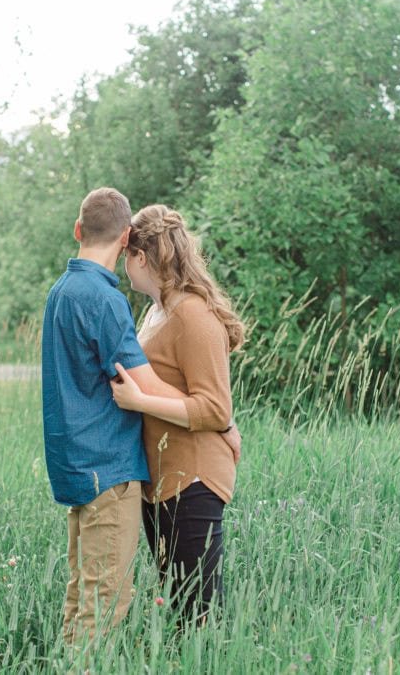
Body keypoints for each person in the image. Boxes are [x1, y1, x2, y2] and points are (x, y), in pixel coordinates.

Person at [41, 187, 190, 645]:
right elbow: (142, 383)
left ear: (77, 230)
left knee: (82, 597)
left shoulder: (61, 291)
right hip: (108, 472)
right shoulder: (103, 300)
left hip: (75, 468)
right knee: (106, 603)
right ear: (127, 239)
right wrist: (209, 412)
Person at [109, 203, 245, 625]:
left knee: (199, 615)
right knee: (178, 603)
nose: (122, 265)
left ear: (141, 257)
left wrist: (140, 403)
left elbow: (215, 406)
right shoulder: (157, 310)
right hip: (164, 478)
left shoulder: (192, 314)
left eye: (125, 255)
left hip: (195, 478)